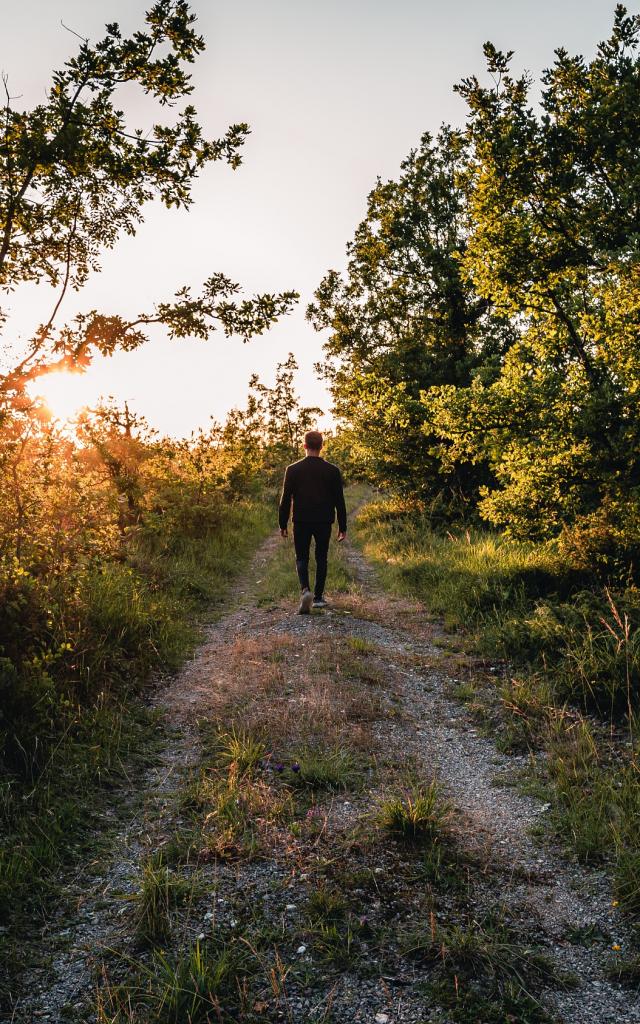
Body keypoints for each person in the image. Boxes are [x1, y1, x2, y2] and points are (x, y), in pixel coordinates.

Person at [278, 430, 347, 614]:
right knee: (321, 557)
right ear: (322, 446)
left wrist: (282, 523)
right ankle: (317, 598)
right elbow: (340, 500)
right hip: (324, 520)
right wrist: (343, 526)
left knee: (301, 557)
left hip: (301, 519)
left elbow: (285, 499)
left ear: (305, 446)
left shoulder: (292, 469)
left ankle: (305, 591)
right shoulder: (332, 471)